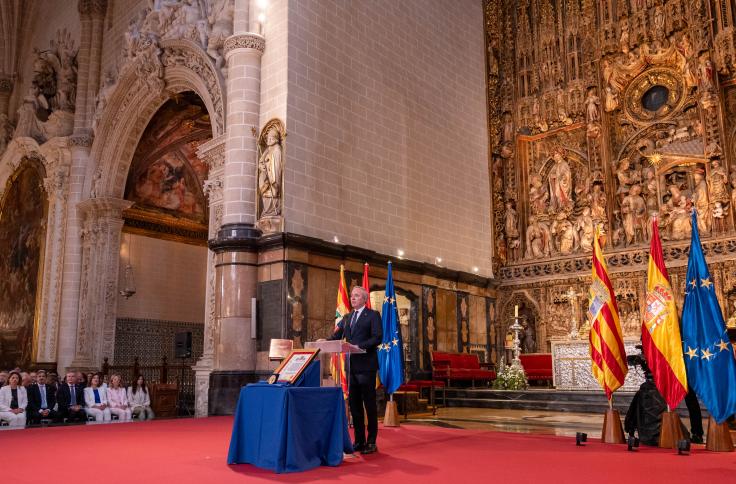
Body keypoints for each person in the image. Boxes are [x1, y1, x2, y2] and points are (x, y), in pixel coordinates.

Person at [326, 286, 382, 454]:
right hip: (351, 367)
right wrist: (325, 341)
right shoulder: (348, 317)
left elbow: (377, 337)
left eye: (356, 296)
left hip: (367, 367)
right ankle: (359, 441)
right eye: (351, 296)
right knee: (355, 406)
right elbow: (337, 336)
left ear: (364, 299)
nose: (352, 298)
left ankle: (371, 442)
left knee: (369, 405)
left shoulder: (373, 316)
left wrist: (359, 346)